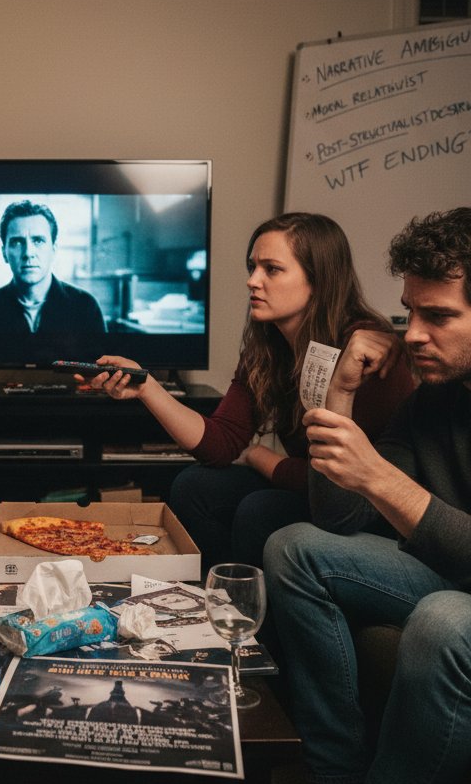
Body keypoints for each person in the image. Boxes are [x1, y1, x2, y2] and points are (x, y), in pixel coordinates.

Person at [264, 208, 471, 784]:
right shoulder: (440, 394)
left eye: (437, 316)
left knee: (447, 623)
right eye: (409, 311)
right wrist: (343, 394)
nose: (411, 334)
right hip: (463, 574)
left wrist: (381, 478)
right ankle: (336, 781)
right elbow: (339, 516)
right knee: (295, 549)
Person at [88, 212, 415, 566]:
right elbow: (221, 444)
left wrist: (263, 458)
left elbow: (343, 485)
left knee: (260, 508)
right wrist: (147, 387)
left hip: (363, 508)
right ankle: (212, 593)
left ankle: (248, 600)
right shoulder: (269, 347)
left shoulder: (365, 352)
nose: (252, 281)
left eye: (271, 269)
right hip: (313, 486)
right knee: (194, 485)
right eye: (253, 267)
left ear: (318, 279)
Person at [0, 199, 105, 337]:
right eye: (17, 242)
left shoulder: (86, 307)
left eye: (38, 241)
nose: (28, 253)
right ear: (4, 253)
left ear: (53, 250)